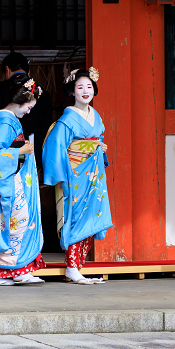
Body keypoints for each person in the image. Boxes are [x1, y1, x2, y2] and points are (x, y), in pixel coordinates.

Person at [43, 67, 113, 284]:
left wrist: (99, 148)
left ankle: (78, 265)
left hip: (93, 173)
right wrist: (61, 174)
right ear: (72, 91)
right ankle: (71, 266)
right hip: (75, 173)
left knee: (92, 214)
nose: (85, 91)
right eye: (80, 87)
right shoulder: (67, 119)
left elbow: (97, 138)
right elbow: (56, 146)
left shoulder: (96, 115)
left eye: (89, 87)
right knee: (76, 217)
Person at [0, 73, 45, 286]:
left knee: (14, 223)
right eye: (29, 106)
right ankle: (0, 272)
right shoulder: (5, 123)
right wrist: (21, 152)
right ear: (21, 100)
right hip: (5, 181)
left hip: (9, 178)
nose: (30, 110)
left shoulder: (8, 121)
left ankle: (15, 270)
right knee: (16, 222)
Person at [0, 52, 52, 169]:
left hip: (10, 148)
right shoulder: (43, 93)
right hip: (33, 149)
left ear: (7, 69)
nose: (27, 112)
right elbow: (47, 126)